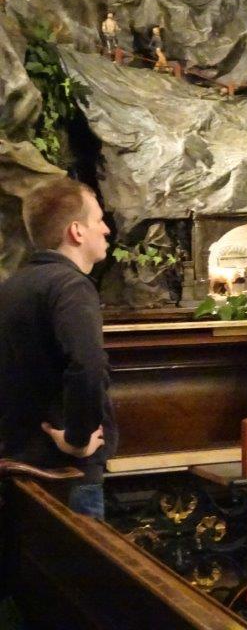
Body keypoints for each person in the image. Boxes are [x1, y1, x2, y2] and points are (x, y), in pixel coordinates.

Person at [0, 178, 117, 519]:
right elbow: (88, 366)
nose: (106, 229)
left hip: (19, 466)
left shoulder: (12, 287)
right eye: (98, 220)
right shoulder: (70, 286)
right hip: (66, 474)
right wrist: (78, 439)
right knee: (82, 555)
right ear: (76, 231)